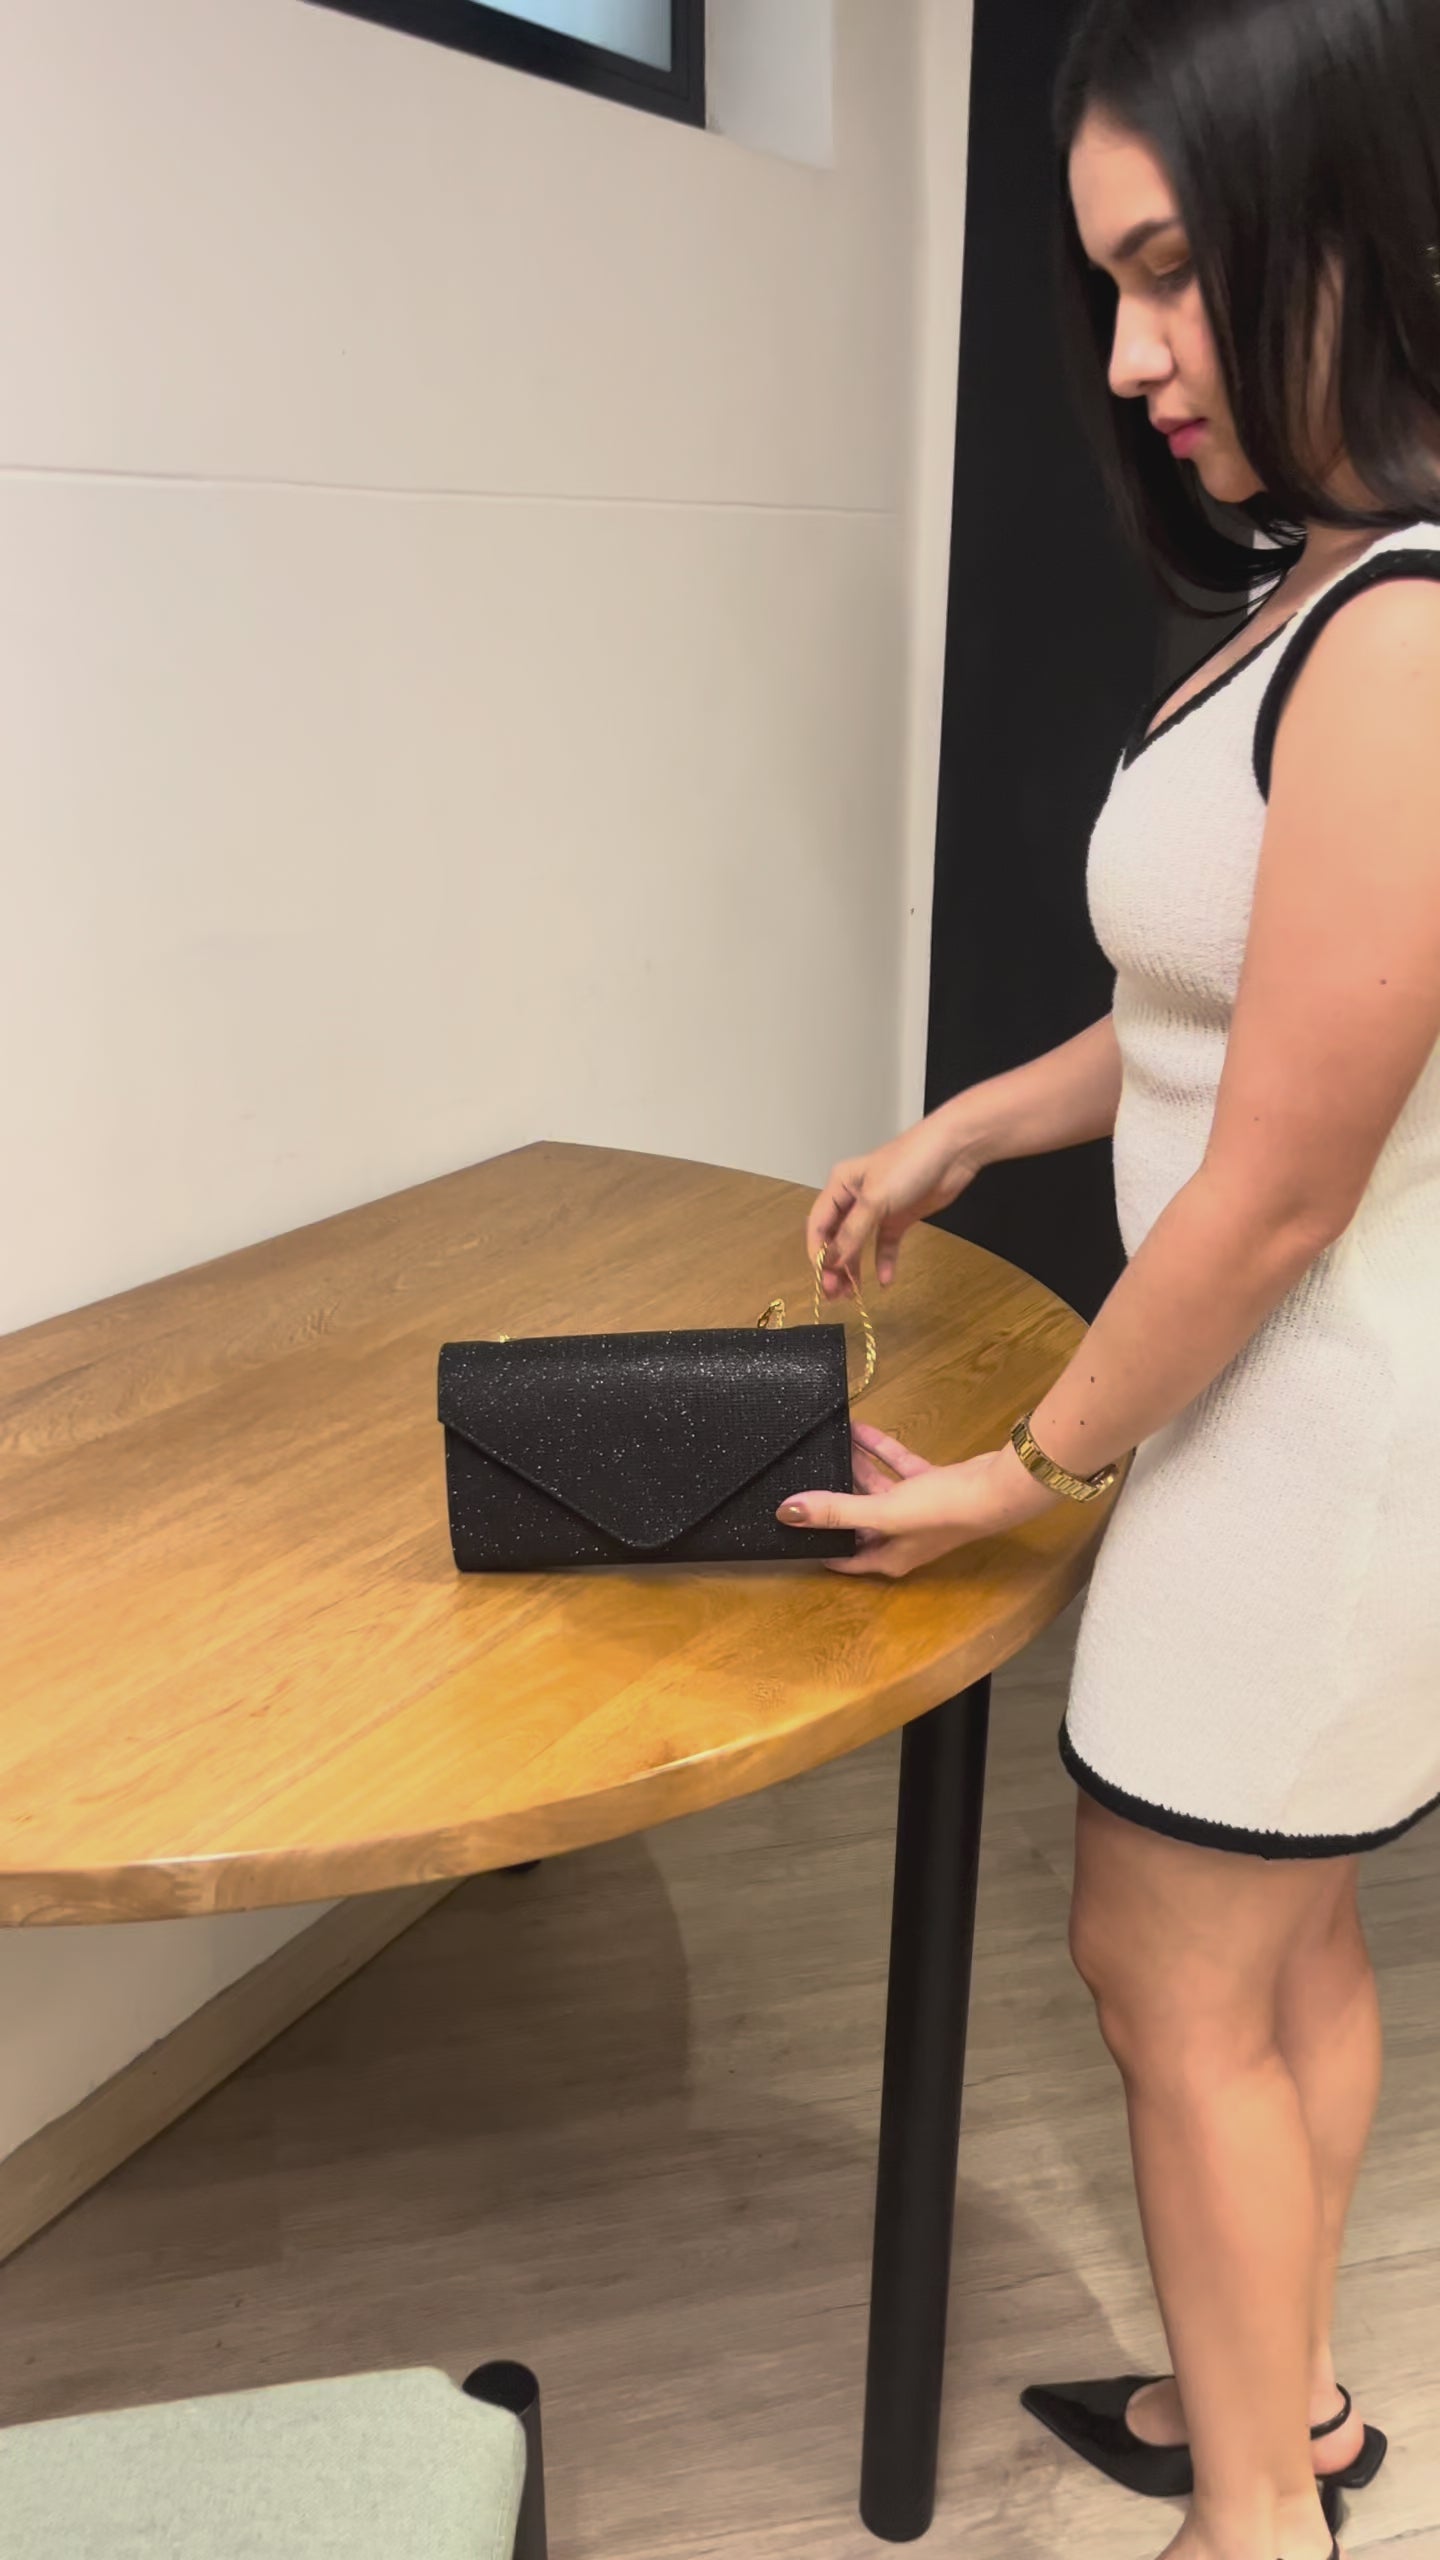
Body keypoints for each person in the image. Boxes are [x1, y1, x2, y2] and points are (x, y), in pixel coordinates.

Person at [776, 3, 1440, 2557]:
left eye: (1171, 273)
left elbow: (1273, 1189)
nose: (1140, 355)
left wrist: (1024, 1479)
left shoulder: (1403, 637)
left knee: (1175, 1977)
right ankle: (1295, 2406)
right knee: (1279, 1958)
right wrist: (965, 1123)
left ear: (1336, 220)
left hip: (1306, 1439)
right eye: (1111, 290)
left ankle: (1252, 2517)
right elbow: (1203, 1010)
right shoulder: (1328, 595)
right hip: (1293, 1421)